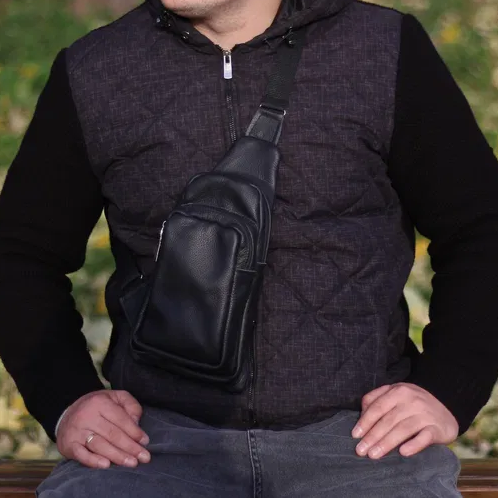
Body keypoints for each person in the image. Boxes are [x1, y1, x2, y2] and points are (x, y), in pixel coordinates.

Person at [1, 0, 497, 495]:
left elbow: (479, 228)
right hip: (152, 448)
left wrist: (448, 387)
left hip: (363, 447)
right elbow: (20, 255)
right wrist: (66, 398)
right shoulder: (96, 69)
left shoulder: (381, 48)